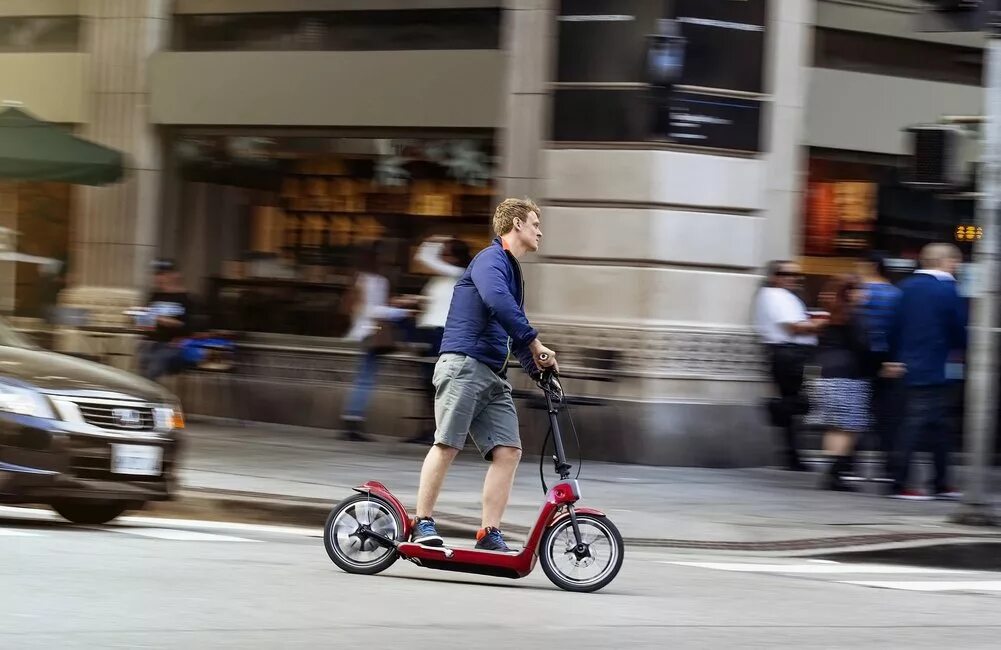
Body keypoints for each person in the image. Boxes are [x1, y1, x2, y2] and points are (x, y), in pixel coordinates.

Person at [410, 198, 557, 552]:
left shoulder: (509, 268)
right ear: (517, 224)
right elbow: (497, 302)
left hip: (491, 372)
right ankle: (423, 522)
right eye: (535, 223)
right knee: (447, 443)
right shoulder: (490, 260)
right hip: (463, 364)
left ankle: (489, 532)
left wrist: (538, 369)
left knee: (508, 451)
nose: (540, 230)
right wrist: (535, 342)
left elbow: (508, 326)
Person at [888, 243, 968, 500]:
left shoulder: (905, 287)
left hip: (909, 364)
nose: (957, 266)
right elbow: (958, 328)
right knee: (918, 424)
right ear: (948, 262)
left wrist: (896, 357)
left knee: (937, 426)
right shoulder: (947, 289)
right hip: (938, 364)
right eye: (955, 262)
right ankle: (901, 482)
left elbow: (893, 327)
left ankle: (942, 481)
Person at [808, 275, 888, 491]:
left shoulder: (831, 316)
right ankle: (836, 474)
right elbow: (863, 347)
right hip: (848, 376)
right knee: (847, 428)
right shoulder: (856, 316)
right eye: (861, 289)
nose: (865, 294)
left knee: (834, 427)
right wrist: (878, 366)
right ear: (851, 293)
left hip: (825, 375)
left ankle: (830, 473)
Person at [753, 260, 826, 471]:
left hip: (798, 354)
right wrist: (820, 324)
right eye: (787, 273)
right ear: (774, 276)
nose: (793, 278)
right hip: (792, 354)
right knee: (809, 397)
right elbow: (795, 327)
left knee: (799, 401)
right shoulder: (774, 296)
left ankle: (792, 454)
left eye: (796, 274)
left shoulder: (786, 296)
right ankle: (776, 407)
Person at [340, 241, 414, 442]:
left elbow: (356, 309)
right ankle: (353, 420)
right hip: (372, 334)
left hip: (361, 333)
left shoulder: (359, 279)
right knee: (365, 379)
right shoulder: (377, 281)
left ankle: (352, 419)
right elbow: (373, 310)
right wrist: (402, 311)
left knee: (363, 378)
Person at [406, 236, 472, 444]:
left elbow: (423, 257)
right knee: (428, 384)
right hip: (429, 333)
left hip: (443, 335)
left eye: (447, 253)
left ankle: (445, 431)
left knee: (441, 385)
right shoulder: (440, 278)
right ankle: (430, 429)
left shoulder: (459, 274)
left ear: (456, 258)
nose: (442, 257)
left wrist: (434, 240)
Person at [854, 251, 902, 481]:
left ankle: (851, 464)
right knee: (886, 415)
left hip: (861, 359)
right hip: (887, 358)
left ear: (872, 266)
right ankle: (889, 466)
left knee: (857, 412)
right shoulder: (896, 294)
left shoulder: (861, 293)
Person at [137, 260, 192, 381]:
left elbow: (187, 326)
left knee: (154, 368)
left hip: (171, 344)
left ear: (174, 276)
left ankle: (150, 396)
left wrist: (163, 320)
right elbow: (146, 322)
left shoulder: (184, 298)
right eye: (157, 274)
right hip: (150, 342)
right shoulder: (155, 295)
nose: (159, 278)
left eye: (163, 274)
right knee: (141, 367)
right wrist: (141, 317)